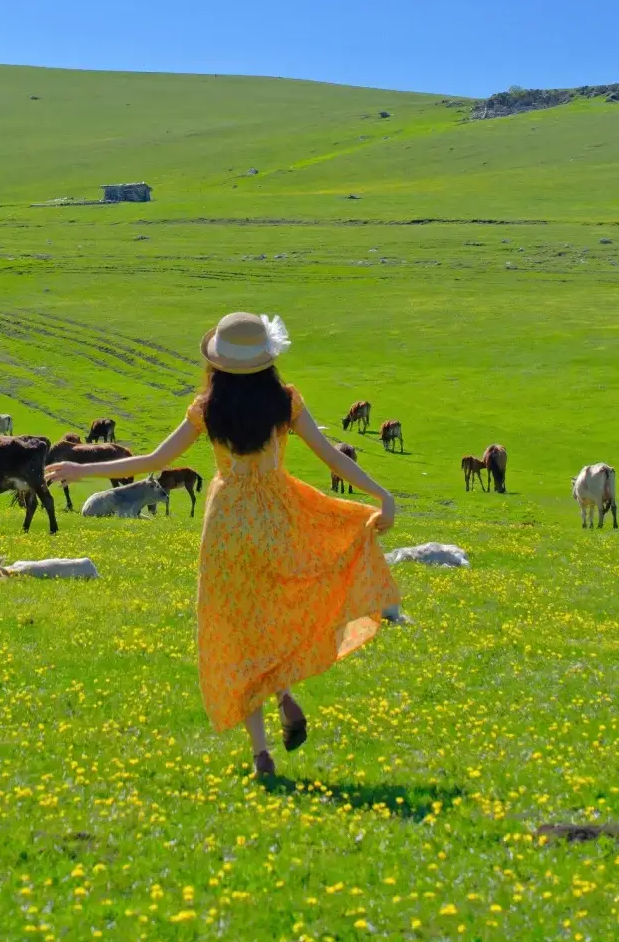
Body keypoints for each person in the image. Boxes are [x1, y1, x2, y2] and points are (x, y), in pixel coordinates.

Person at [45, 311, 400, 777]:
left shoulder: (207, 408)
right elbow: (331, 456)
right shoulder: (285, 402)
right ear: (267, 360)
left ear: (219, 363)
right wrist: (382, 495)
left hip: (228, 524)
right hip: (278, 516)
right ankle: (285, 695)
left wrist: (79, 469)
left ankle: (261, 753)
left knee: (235, 629)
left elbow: (155, 458)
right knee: (278, 611)